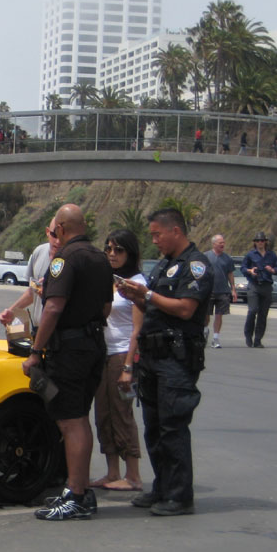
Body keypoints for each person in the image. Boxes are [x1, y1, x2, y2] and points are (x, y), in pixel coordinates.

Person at [117, 207, 213, 516]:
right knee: (154, 427)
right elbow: (152, 305)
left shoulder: (195, 266)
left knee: (173, 426)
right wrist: (135, 296)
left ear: (176, 231)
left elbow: (185, 308)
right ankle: (161, 487)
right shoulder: (163, 266)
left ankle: (179, 495)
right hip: (154, 356)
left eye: (158, 234)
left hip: (177, 357)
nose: (155, 240)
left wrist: (149, 296)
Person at [22, 204, 112, 521]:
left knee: (71, 421)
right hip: (93, 345)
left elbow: (53, 308)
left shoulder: (64, 260)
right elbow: (105, 308)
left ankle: (76, 494)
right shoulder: (100, 257)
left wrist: (36, 350)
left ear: (60, 228)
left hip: (70, 350)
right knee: (79, 418)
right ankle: (78, 490)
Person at [90, 229, 145, 492]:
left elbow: (138, 330)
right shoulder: (108, 279)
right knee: (103, 414)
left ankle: (132, 475)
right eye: (109, 248)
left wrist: (128, 367)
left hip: (122, 354)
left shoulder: (136, 282)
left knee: (122, 414)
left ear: (130, 253)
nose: (112, 254)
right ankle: (112, 472)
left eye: (119, 249)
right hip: (103, 353)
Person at [0, 217, 59, 330]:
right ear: (47, 232)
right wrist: (12, 311)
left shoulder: (71, 258)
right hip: (37, 329)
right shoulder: (39, 252)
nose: (58, 241)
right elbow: (32, 292)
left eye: (62, 236)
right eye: (54, 235)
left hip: (59, 331)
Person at [241, 231, 277, 348]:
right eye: (258, 241)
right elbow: (243, 267)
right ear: (255, 243)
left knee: (263, 314)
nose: (260, 243)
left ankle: (258, 339)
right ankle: (248, 335)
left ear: (265, 242)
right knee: (252, 310)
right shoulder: (250, 255)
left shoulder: (271, 255)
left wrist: (272, 270)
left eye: (262, 241)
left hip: (266, 286)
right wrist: (250, 271)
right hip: (254, 285)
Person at [203, 233, 236, 348]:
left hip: (223, 291)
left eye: (223, 242)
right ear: (214, 244)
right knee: (206, 314)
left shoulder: (227, 258)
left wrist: (233, 289)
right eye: (220, 242)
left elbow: (230, 274)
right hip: (208, 291)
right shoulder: (205, 256)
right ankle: (205, 330)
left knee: (219, 315)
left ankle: (216, 338)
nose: (223, 244)